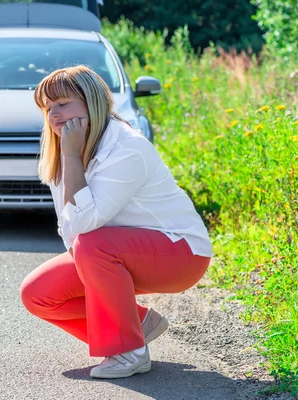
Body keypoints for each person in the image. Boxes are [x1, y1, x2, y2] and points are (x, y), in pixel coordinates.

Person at [20, 65, 213, 379]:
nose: (54, 115)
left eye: (63, 103)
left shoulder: (127, 148)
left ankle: (128, 351)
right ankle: (139, 324)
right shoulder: (69, 150)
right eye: (48, 108)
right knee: (38, 293)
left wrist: (71, 157)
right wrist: (69, 157)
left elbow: (84, 226)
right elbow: (71, 232)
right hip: (116, 251)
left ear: (91, 103)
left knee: (93, 244)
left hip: (182, 254)